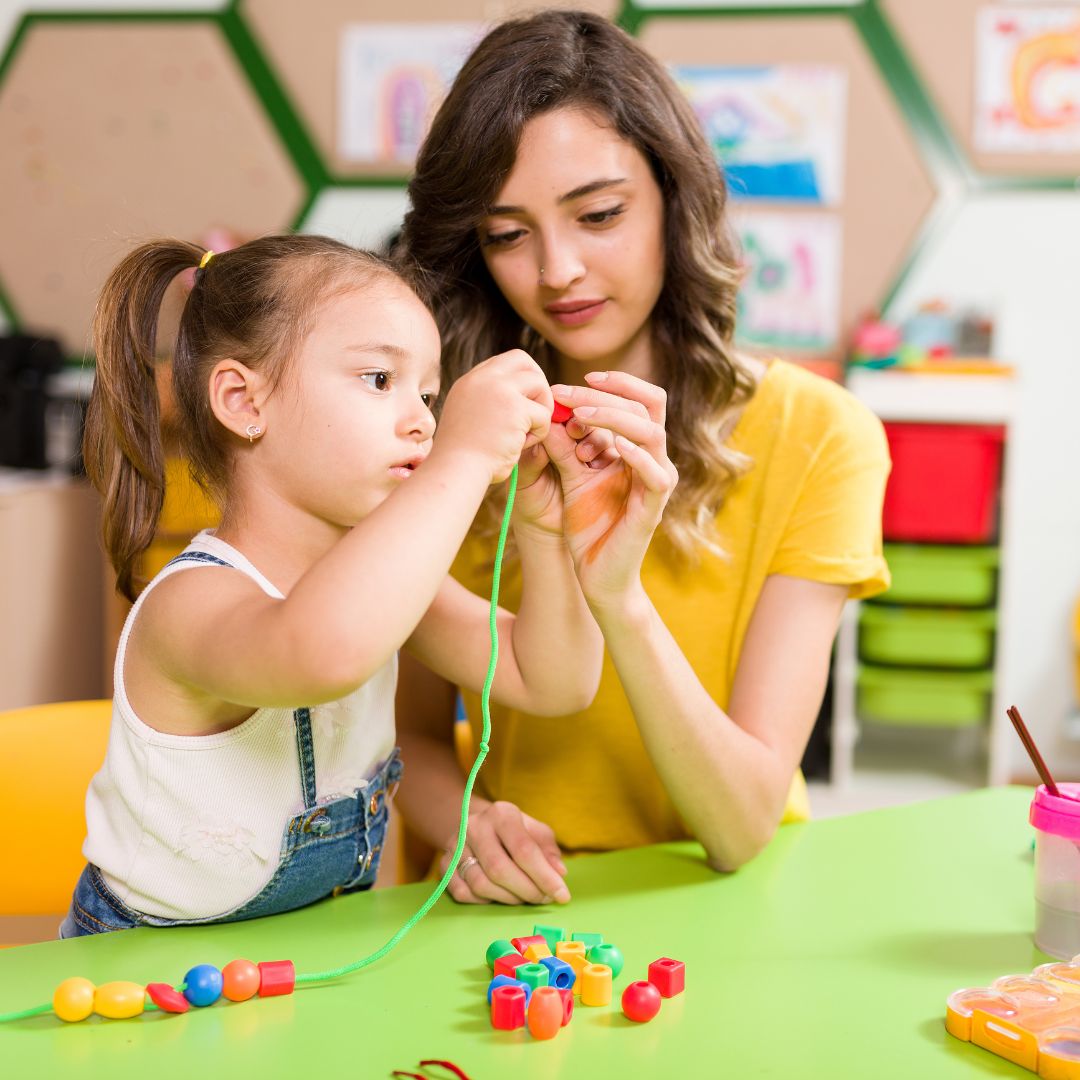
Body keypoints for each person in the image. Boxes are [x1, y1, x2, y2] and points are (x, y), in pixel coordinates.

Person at [394, 9, 891, 906]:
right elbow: (412, 741)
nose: (558, 271)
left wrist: (616, 595)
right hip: (518, 911)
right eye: (508, 235)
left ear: (676, 195)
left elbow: (742, 827)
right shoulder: (452, 436)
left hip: (728, 903)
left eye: (599, 214)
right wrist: (461, 820)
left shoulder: (821, 436)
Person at [61, 233, 611, 936]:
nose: (423, 421)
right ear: (242, 401)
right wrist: (464, 455)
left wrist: (544, 528)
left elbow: (554, 679)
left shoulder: (381, 583)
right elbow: (320, 652)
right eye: (380, 380)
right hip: (144, 981)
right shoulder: (189, 605)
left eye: (432, 395)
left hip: (305, 959)